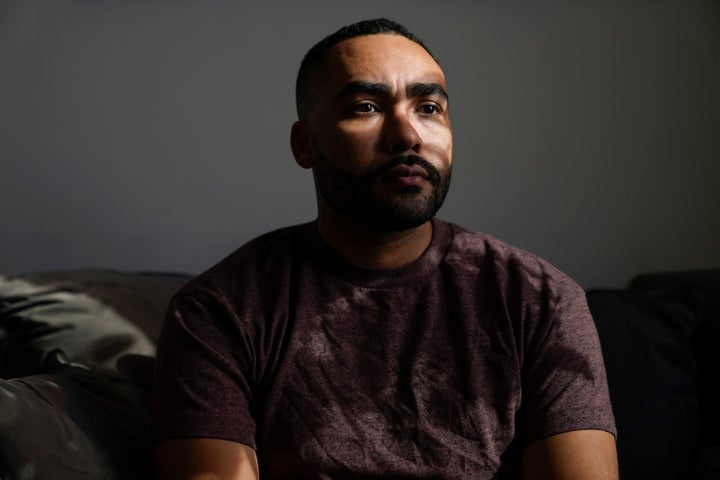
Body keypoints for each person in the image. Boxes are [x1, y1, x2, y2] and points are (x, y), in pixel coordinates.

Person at [151, 18, 618, 480]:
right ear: (304, 145)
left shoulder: (541, 299)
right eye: (366, 106)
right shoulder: (218, 312)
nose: (407, 136)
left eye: (429, 108)